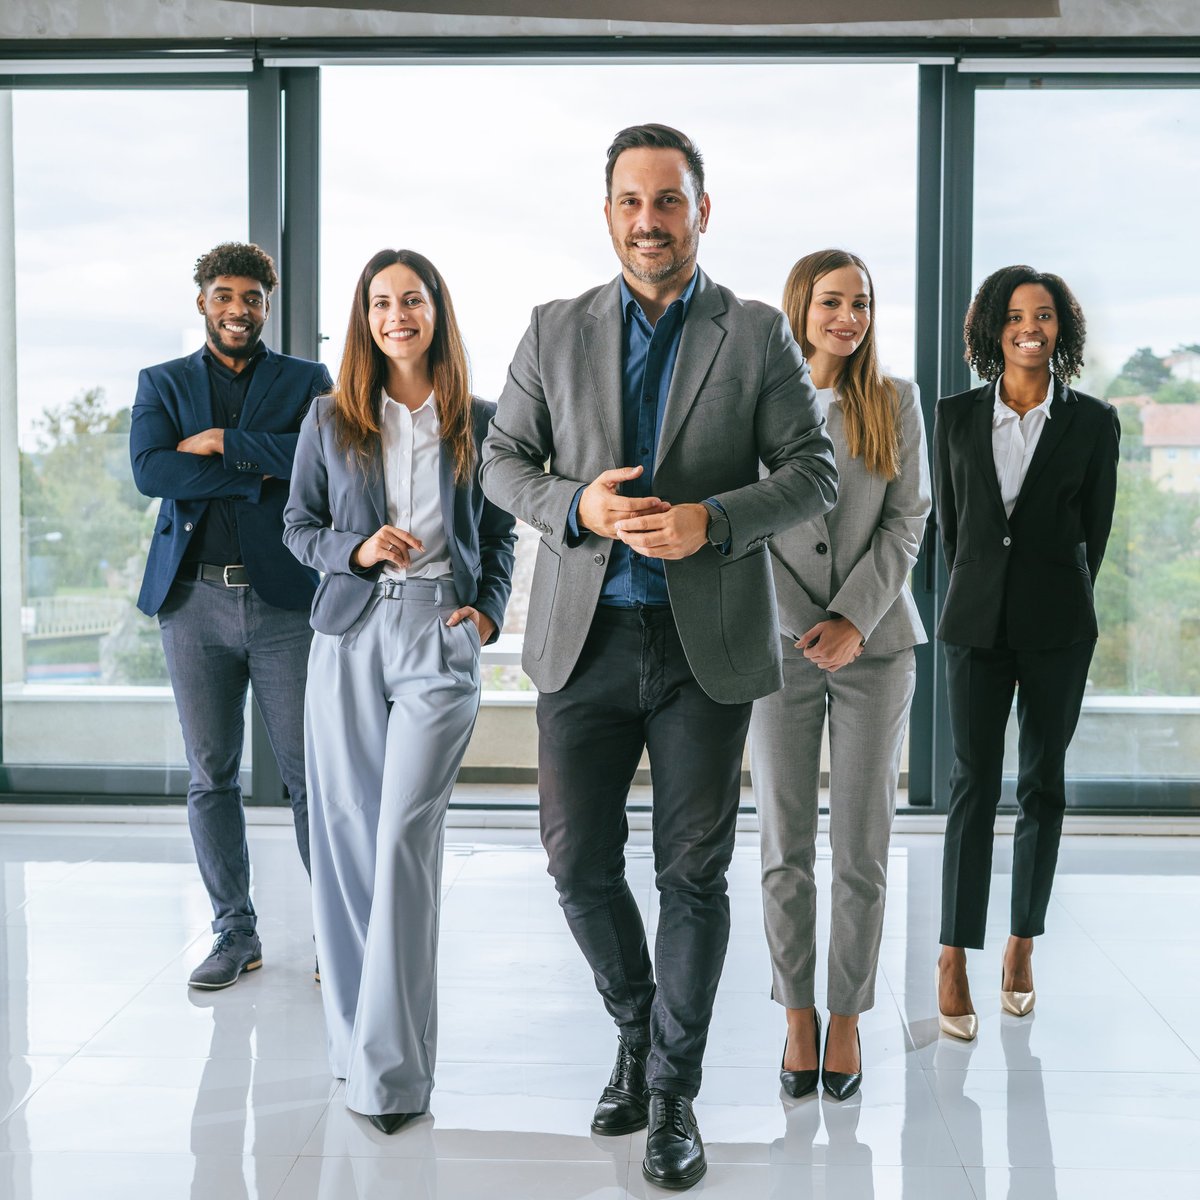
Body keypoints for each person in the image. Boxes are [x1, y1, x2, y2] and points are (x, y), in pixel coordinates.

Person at [480, 124, 837, 1190]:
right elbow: (501, 463)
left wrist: (714, 523)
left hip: (703, 646)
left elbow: (812, 471)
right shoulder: (551, 330)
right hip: (582, 643)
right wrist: (575, 504)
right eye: (632, 203)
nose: (651, 222)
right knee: (577, 865)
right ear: (608, 215)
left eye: (669, 201)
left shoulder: (759, 333)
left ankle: (672, 1093)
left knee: (693, 875)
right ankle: (637, 1029)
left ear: (701, 211)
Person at [283, 249, 516, 1134]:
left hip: (438, 635)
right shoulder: (330, 418)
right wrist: (356, 548)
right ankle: (356, 1046)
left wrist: (486, 613)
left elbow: (499, 537)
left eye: (411, 299)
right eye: (380, 303)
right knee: (344, 842)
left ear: (435, 311)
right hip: (348, 632)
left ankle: (389, 1075)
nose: (396, 316)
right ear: (365, 318)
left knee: (403, 839)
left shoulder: (480, 421)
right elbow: (297, 525)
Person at [750, 249, 931, 1101]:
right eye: (832, 302)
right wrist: (801, 622)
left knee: (862, 844)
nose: (848, 318)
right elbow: (740, 521)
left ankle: (849, 1017)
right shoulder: (755, 401)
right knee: (784, 843)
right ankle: (797, 1016)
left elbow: (909, 517)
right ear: (801, 308)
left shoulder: (895, 402)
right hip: (777, 649)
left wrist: (854, 617)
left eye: (860, 302)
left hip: (877, 647)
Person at [130, 242, 332, 990]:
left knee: (312, 777)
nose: (238, 309)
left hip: (285, 605)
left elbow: (329, 458)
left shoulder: (307, 381)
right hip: (192, 603)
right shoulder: (163, 382)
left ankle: (335, 936)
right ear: (202, 302)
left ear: (267, 305)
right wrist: (258, 473)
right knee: (210, 777)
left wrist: (222, 446)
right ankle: (233, 932)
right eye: (224, 296)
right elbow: (152, 470)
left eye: (251, 297)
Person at [933, 265, 1119, 1039]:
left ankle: (1020, 945)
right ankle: (953, 955)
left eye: (1044, 316)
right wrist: (986, 588)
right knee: (974, 785)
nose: (1029, 328)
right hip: (975, 624)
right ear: (993, 330)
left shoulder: (1093, 422)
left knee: (1043, 784)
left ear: (1062, 331)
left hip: (1057, 627)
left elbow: (1095, 532)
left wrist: (1052, 594)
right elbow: (953, 526)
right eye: (1015, 316)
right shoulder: (951, 417)